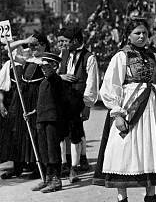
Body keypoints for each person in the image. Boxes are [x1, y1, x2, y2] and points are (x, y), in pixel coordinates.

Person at [93, 18, 156, 202]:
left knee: (150, 147)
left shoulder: (155, 56)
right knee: (125, 149)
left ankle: (151, 194)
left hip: (151, 108)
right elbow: (111, 86)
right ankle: (122, 198)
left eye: (144, 33)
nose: (141, 36)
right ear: (128, 35)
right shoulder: (122, 57)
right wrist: (118, 113)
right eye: (137, 33)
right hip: (130, 107)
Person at [4, 33, 50, 181]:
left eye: (35, 45)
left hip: (38, 99)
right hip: (23, 99)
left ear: (43, 45)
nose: (31, 47)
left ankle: (39, 168)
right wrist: (24, 41)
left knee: (37, 133)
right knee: (20, 132)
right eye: (30, 45)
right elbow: (7, 49)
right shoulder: (27, 60)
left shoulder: (46, 60)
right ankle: (17, 167)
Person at [57, 26, 99, 183]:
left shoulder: (89, 58)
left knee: (75, 132)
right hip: (63, 100)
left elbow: (92, 83)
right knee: (61, 133)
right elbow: (56, 72)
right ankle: (64, 164)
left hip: (77, 101)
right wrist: (61, 76)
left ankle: (74, 167)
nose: (64, 45)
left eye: (67, 41)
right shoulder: (64, 54)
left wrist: (87, 105)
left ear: (76, 40)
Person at [32, 52, 67, 193]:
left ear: (54, 66)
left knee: (52, 149)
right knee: (43, 149)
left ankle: (56, 180)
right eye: (42, 67)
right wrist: (33, 112)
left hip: (52, 120)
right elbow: (42, 102)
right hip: (41, 119)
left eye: (46, 67)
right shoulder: (43, 82)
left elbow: (60, 101)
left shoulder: (56, 81)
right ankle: (47, 177)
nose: (43, 69)